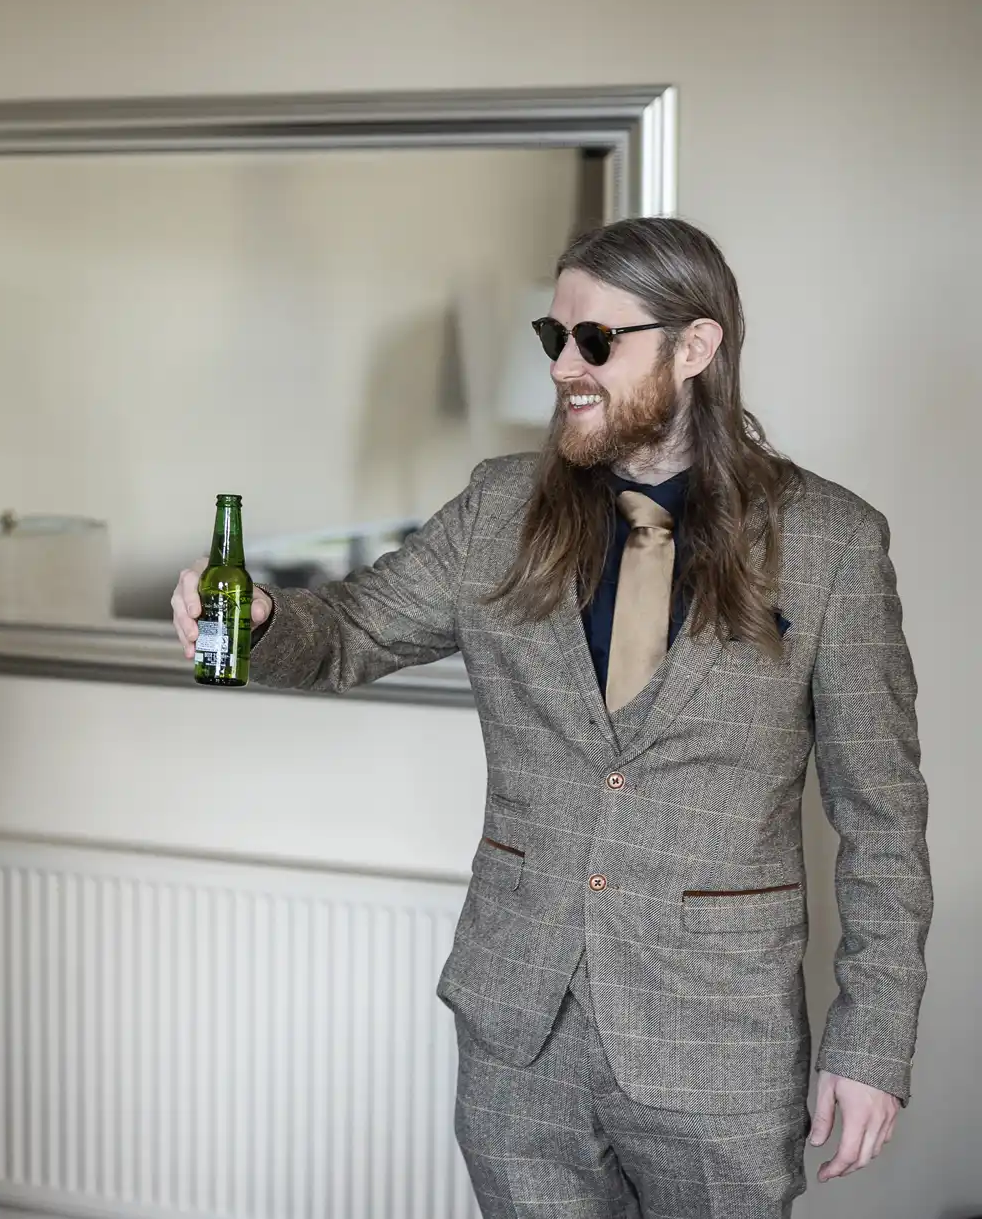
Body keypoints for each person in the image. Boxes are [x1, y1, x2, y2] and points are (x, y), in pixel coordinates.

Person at [173, 217, 930, 1216]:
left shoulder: (830, 543)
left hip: (715, 1040)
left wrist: (868, 1041)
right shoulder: (495, 510)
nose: (563, 368)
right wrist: (266, 622)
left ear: (694, 348)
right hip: (518, 1030)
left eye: (595, 342)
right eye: (552, 337)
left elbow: (881, 820)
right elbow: (347, 630)